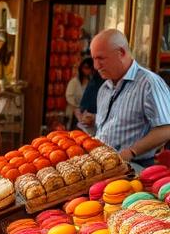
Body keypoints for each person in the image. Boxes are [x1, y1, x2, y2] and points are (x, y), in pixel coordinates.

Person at [89, 28, 170, 166]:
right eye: (94, 59)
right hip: (103, 165)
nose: (96, 66)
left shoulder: (149, 83)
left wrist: (132, 151)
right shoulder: (104, 88)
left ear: (121, 53)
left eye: (101, 58)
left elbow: (166, 128)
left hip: (135, 166)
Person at [65, 58, 94, 128]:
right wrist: (76, 107)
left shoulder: (92, 83)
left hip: (86, 113)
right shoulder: (74, 81)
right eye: (85, 68)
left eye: (89, 68)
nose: (87, 70)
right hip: (73, 112)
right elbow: (69, 96)